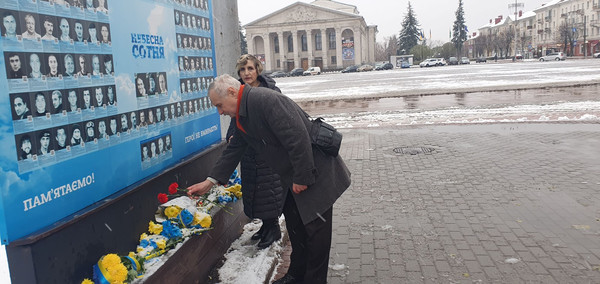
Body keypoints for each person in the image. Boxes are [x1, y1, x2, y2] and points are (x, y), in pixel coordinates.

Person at [187, 74, 351, 284]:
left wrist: (302, 177)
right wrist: (209, 181)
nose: (220, 112)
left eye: (219, 105)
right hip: (293, 177)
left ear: (231, 92)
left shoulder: (265, 100)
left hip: (314, 172)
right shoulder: (242, 113)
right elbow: (235, 148)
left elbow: (298, 137)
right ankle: (296, 276)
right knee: (296, 228)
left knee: (316, 235)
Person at [218, 54, 286, 249]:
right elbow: (234, 118)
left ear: (257, 69)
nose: (246, 73)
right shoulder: (236, 92)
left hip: (266, 150)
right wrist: (232, 135)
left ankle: (273, 227)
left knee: (268, 187)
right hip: (247, 149)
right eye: (242, 69)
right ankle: (265, 226)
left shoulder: (270, 90)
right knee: (255, 188)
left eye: (250, 68)